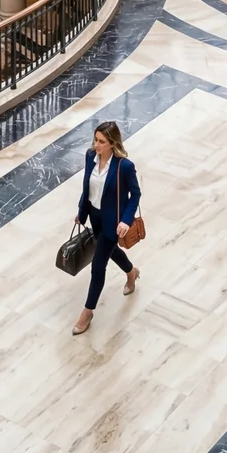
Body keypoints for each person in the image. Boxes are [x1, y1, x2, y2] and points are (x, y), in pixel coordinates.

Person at [73, 121, 141, 336]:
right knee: (109, 251)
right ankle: (132, 272)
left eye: (102, 141)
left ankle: (88, 311)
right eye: (96, 140)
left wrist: (126, 220)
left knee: (98, 265)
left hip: (114, 222)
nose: (97, 145)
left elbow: (135, 195)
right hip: (94, 215)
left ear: (112, 143)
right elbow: (87, 187)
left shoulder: (124, 166)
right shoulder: (89, 156)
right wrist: (81, 212)